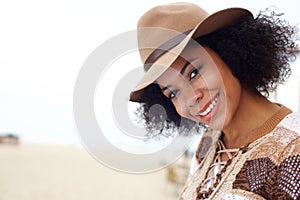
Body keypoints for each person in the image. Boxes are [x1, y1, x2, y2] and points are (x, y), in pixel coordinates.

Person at [129, 2, 300, 199]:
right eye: (173, 93)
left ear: (229, 53)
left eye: (193, 73)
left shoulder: (292, 150)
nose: (190, 99)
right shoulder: (210, 143)